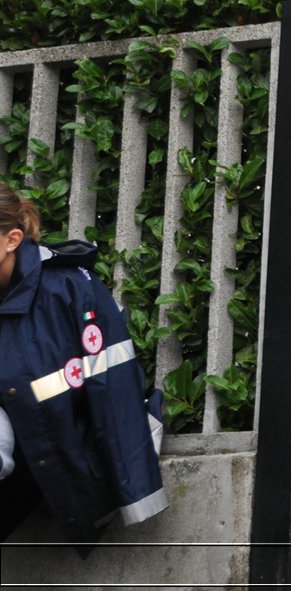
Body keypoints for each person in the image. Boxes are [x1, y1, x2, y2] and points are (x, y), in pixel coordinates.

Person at [0, 181, 167, 556]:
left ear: (12, 239)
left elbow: (114, 388)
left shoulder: (70, 288)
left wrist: (138, 492)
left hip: (80, 469)